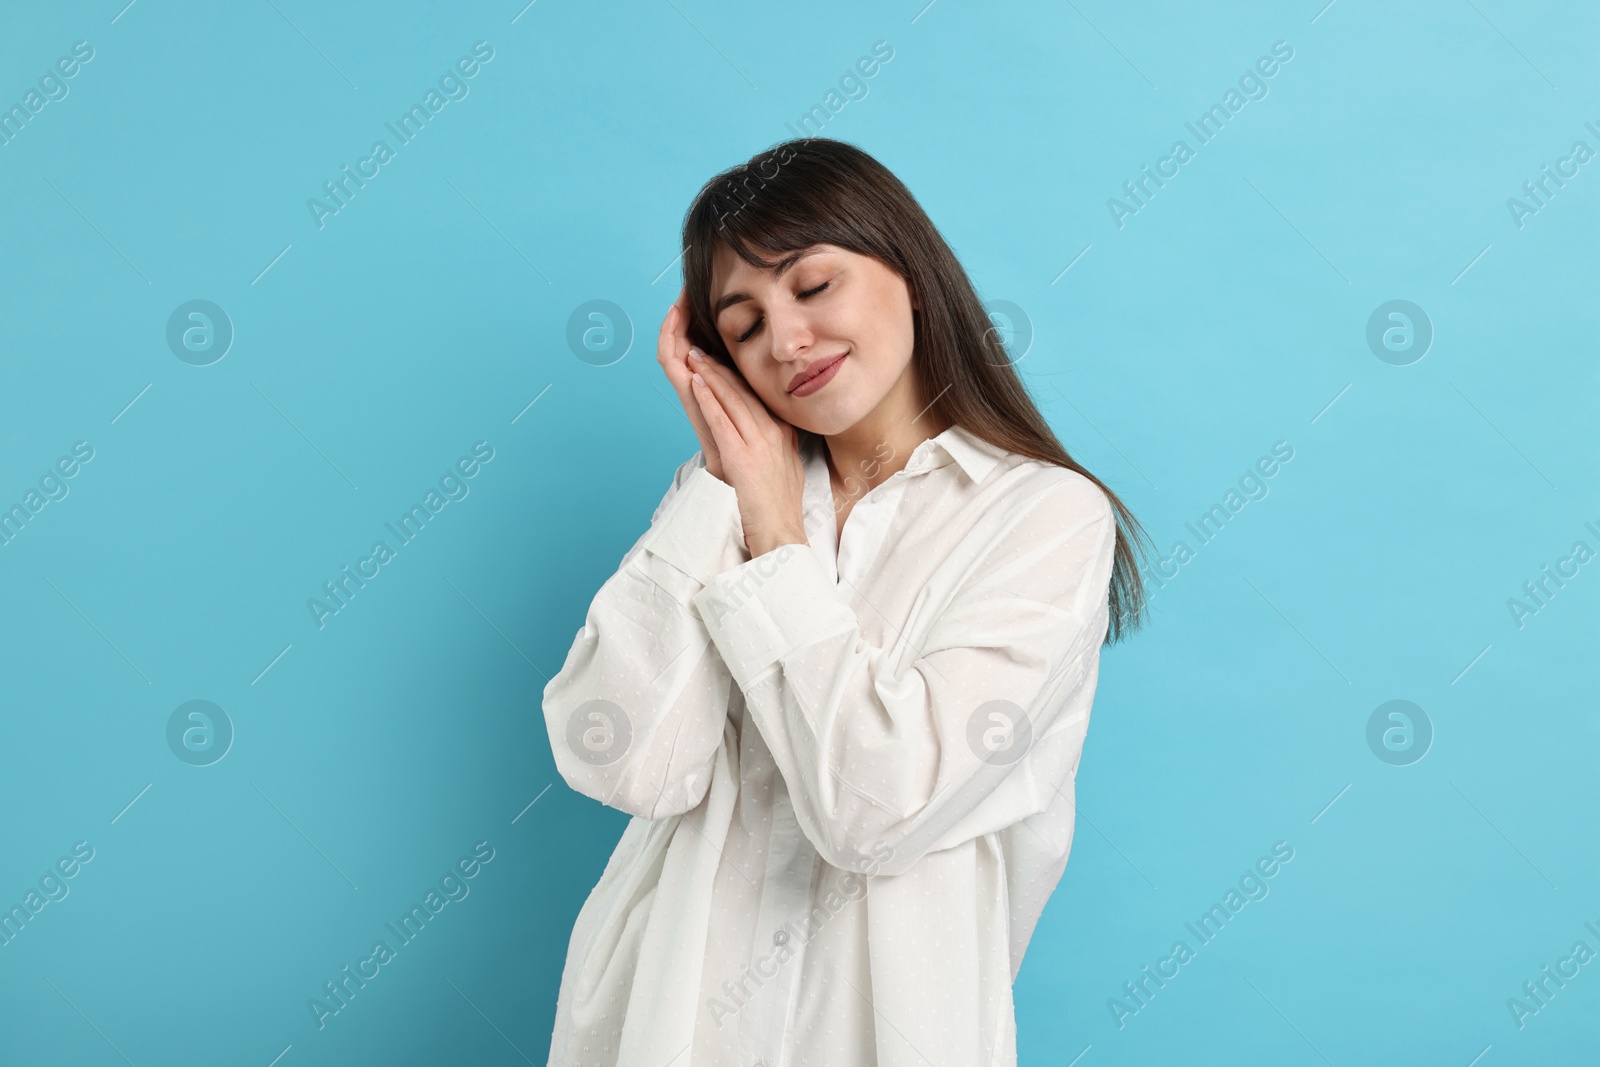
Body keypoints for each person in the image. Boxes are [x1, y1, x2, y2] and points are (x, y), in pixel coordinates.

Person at [541, 137, 1151, 1067]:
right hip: (657, 1025)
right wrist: (721, 480)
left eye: (813, 287)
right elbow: (621, 761)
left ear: (909, 271)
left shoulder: (1045, 517)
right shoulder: (721, 492)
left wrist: (776, 542)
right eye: (741, 328)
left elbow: (879, 810)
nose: (786, 342)